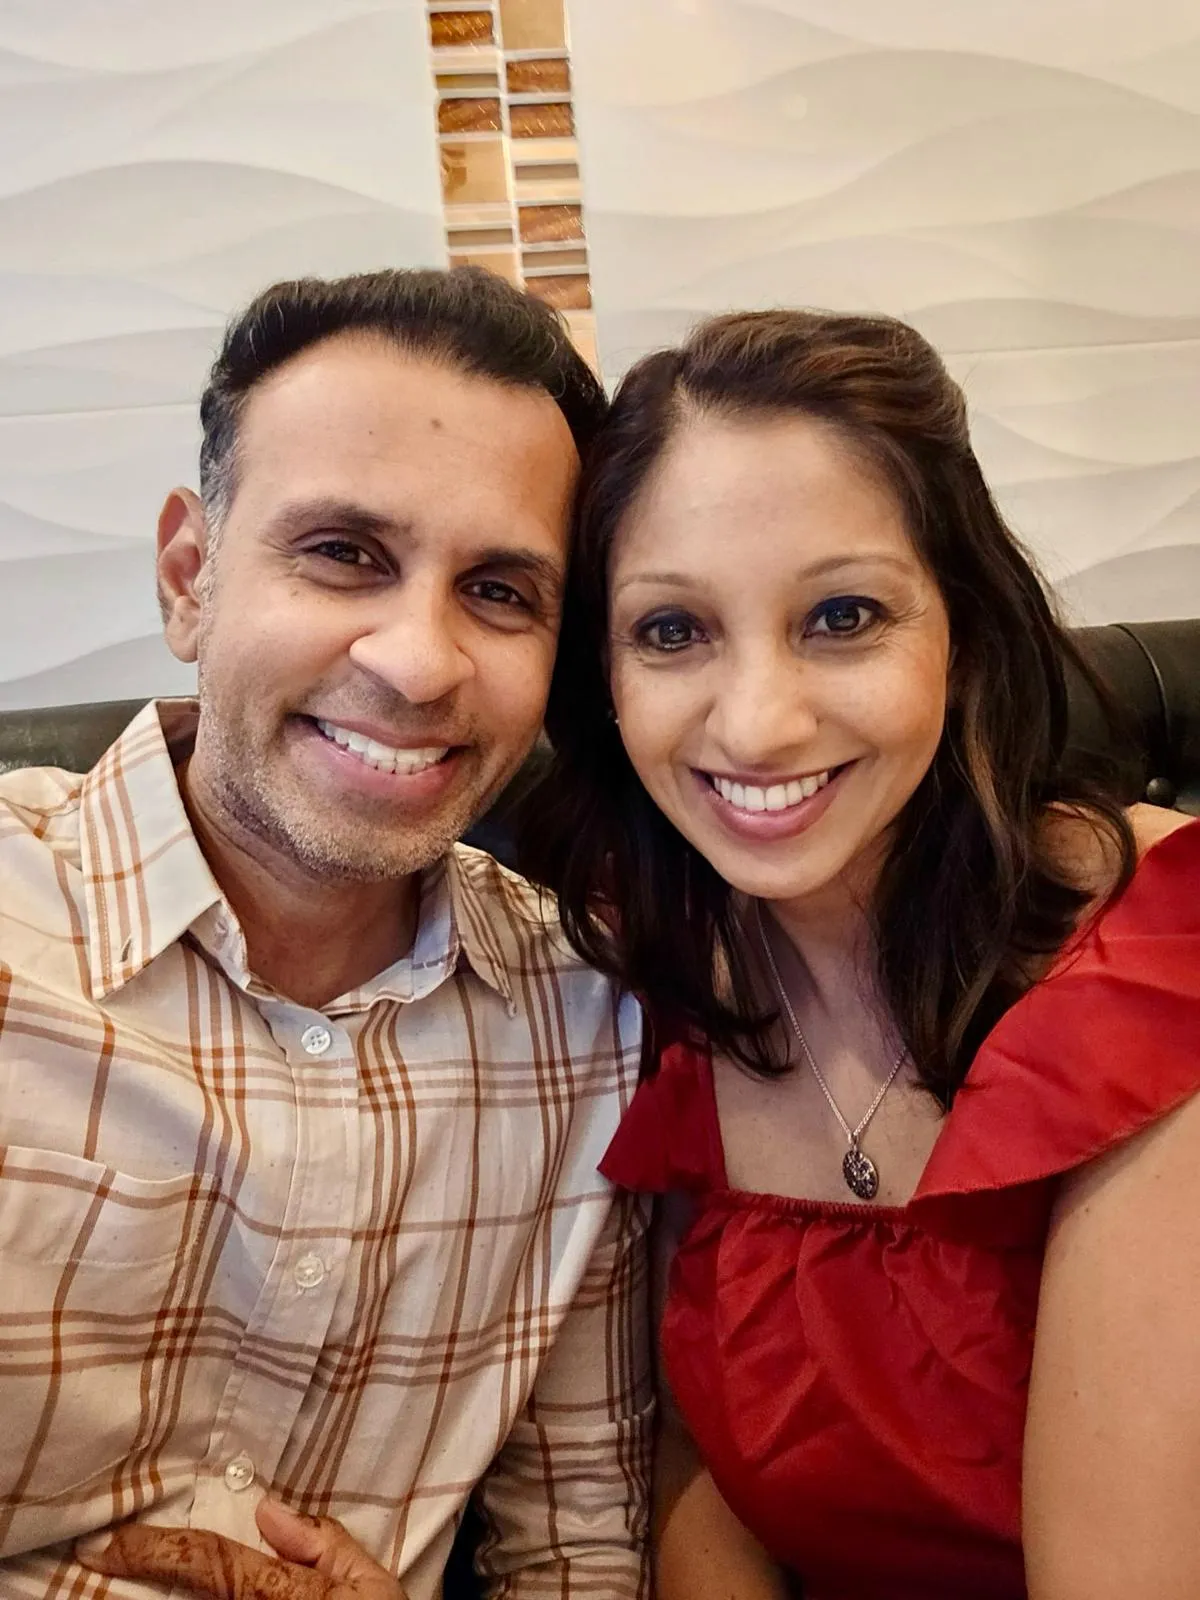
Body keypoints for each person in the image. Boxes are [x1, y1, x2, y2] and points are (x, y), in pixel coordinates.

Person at [520, 307, 1200, 1600]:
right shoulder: (652, 974)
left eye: (843, 616)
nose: (760, 722)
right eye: (673, 631)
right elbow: (701, 1488)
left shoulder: (1156, 966)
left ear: (964, 626)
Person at [0, 267, 652, 1600]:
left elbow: (583, 1545)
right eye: (344, 554)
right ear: (191, 577)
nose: (417, 662)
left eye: (502, 592)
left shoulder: (591, 1021)